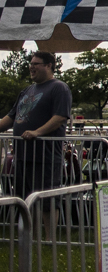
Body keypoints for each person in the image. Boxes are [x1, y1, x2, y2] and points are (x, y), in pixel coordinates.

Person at [0, 51, 72, 238]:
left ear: (48, 65)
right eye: (30, 63)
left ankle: (49, 240)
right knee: (25, 199)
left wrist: (37, 132)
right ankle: (30, 238)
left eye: (36, 64)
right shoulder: (27, 91)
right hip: (23, 156)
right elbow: (10, 118)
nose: (31, 67)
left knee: (47, 199)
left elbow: (60, 117)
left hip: (45, 156)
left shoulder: (59, 88)